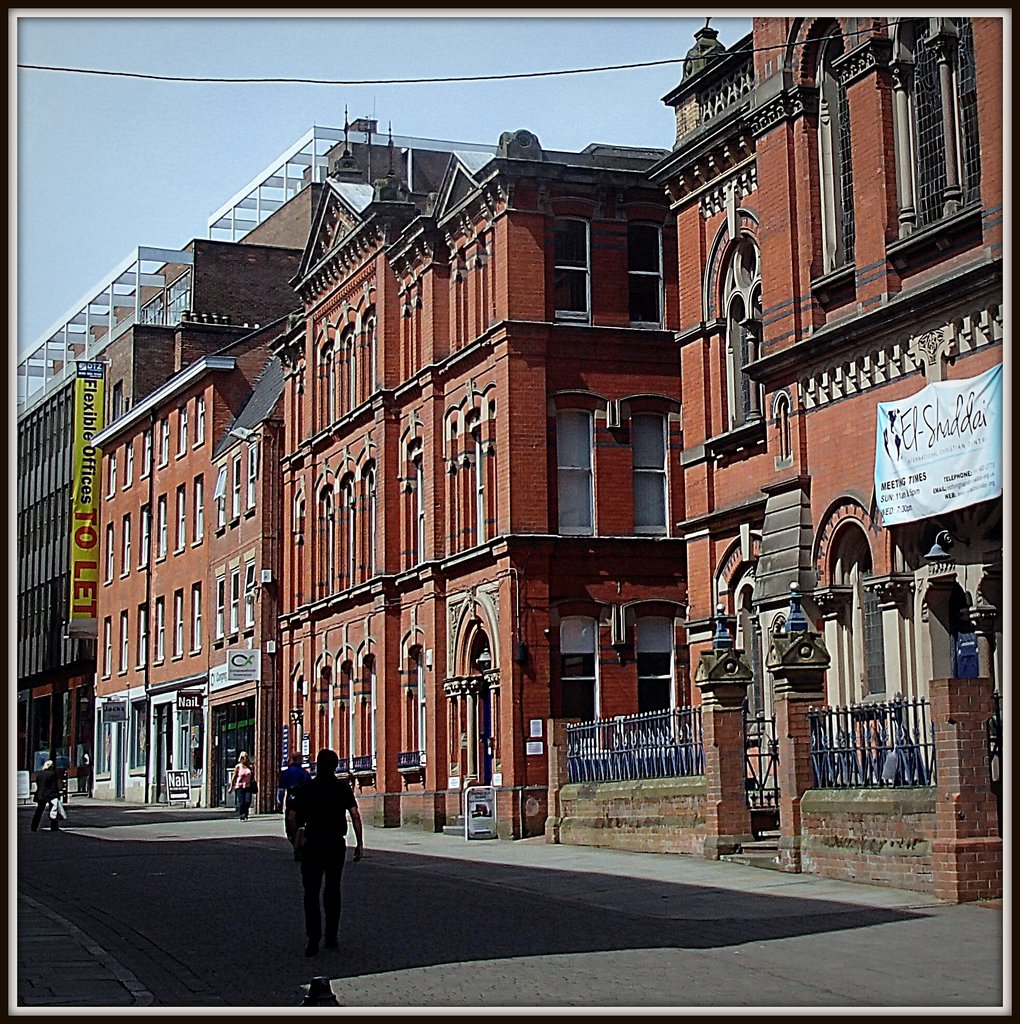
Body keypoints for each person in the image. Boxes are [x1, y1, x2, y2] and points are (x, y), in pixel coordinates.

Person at [288, 748, 363, 957]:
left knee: (311, 892)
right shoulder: (342, 788)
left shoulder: (307, 788)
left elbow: (293, 816)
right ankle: (331, 936)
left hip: (313, 844)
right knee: (333, 890)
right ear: (336, 766)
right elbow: (355, 814)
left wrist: (296, 840)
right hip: (335, 844)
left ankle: (313, 938)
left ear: (318, 765)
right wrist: (359, 843)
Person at [277, 754, 312, 841]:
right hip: (304, 802)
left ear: (291, 760)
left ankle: (293, 837)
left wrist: (279, 803)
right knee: (303, 821)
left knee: (290, 820)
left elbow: (281, 790)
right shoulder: (305, 774)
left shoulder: (286, 773)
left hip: (292, 800)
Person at [30, 760, 63, 832]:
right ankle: (54, 827)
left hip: (41, 794)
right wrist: (57, 795)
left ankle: (34, 827)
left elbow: (38, 783)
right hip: (50, 794)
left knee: (39, 811)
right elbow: (54, 786)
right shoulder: (52, 774)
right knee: (53, 810)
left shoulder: (40, 774)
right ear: (51, 766)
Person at [227, 751, 255, 821]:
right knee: (241, 802)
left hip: (248, 786)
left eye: (246, 757)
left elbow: (252, 776)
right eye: (243, 757)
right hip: (239, 786)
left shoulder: (249, 767)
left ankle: (246, 813)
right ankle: (242, 815)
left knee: (248, 801)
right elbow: (234, 776)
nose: (245, 758)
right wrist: (231, 786)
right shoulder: (238, 767)